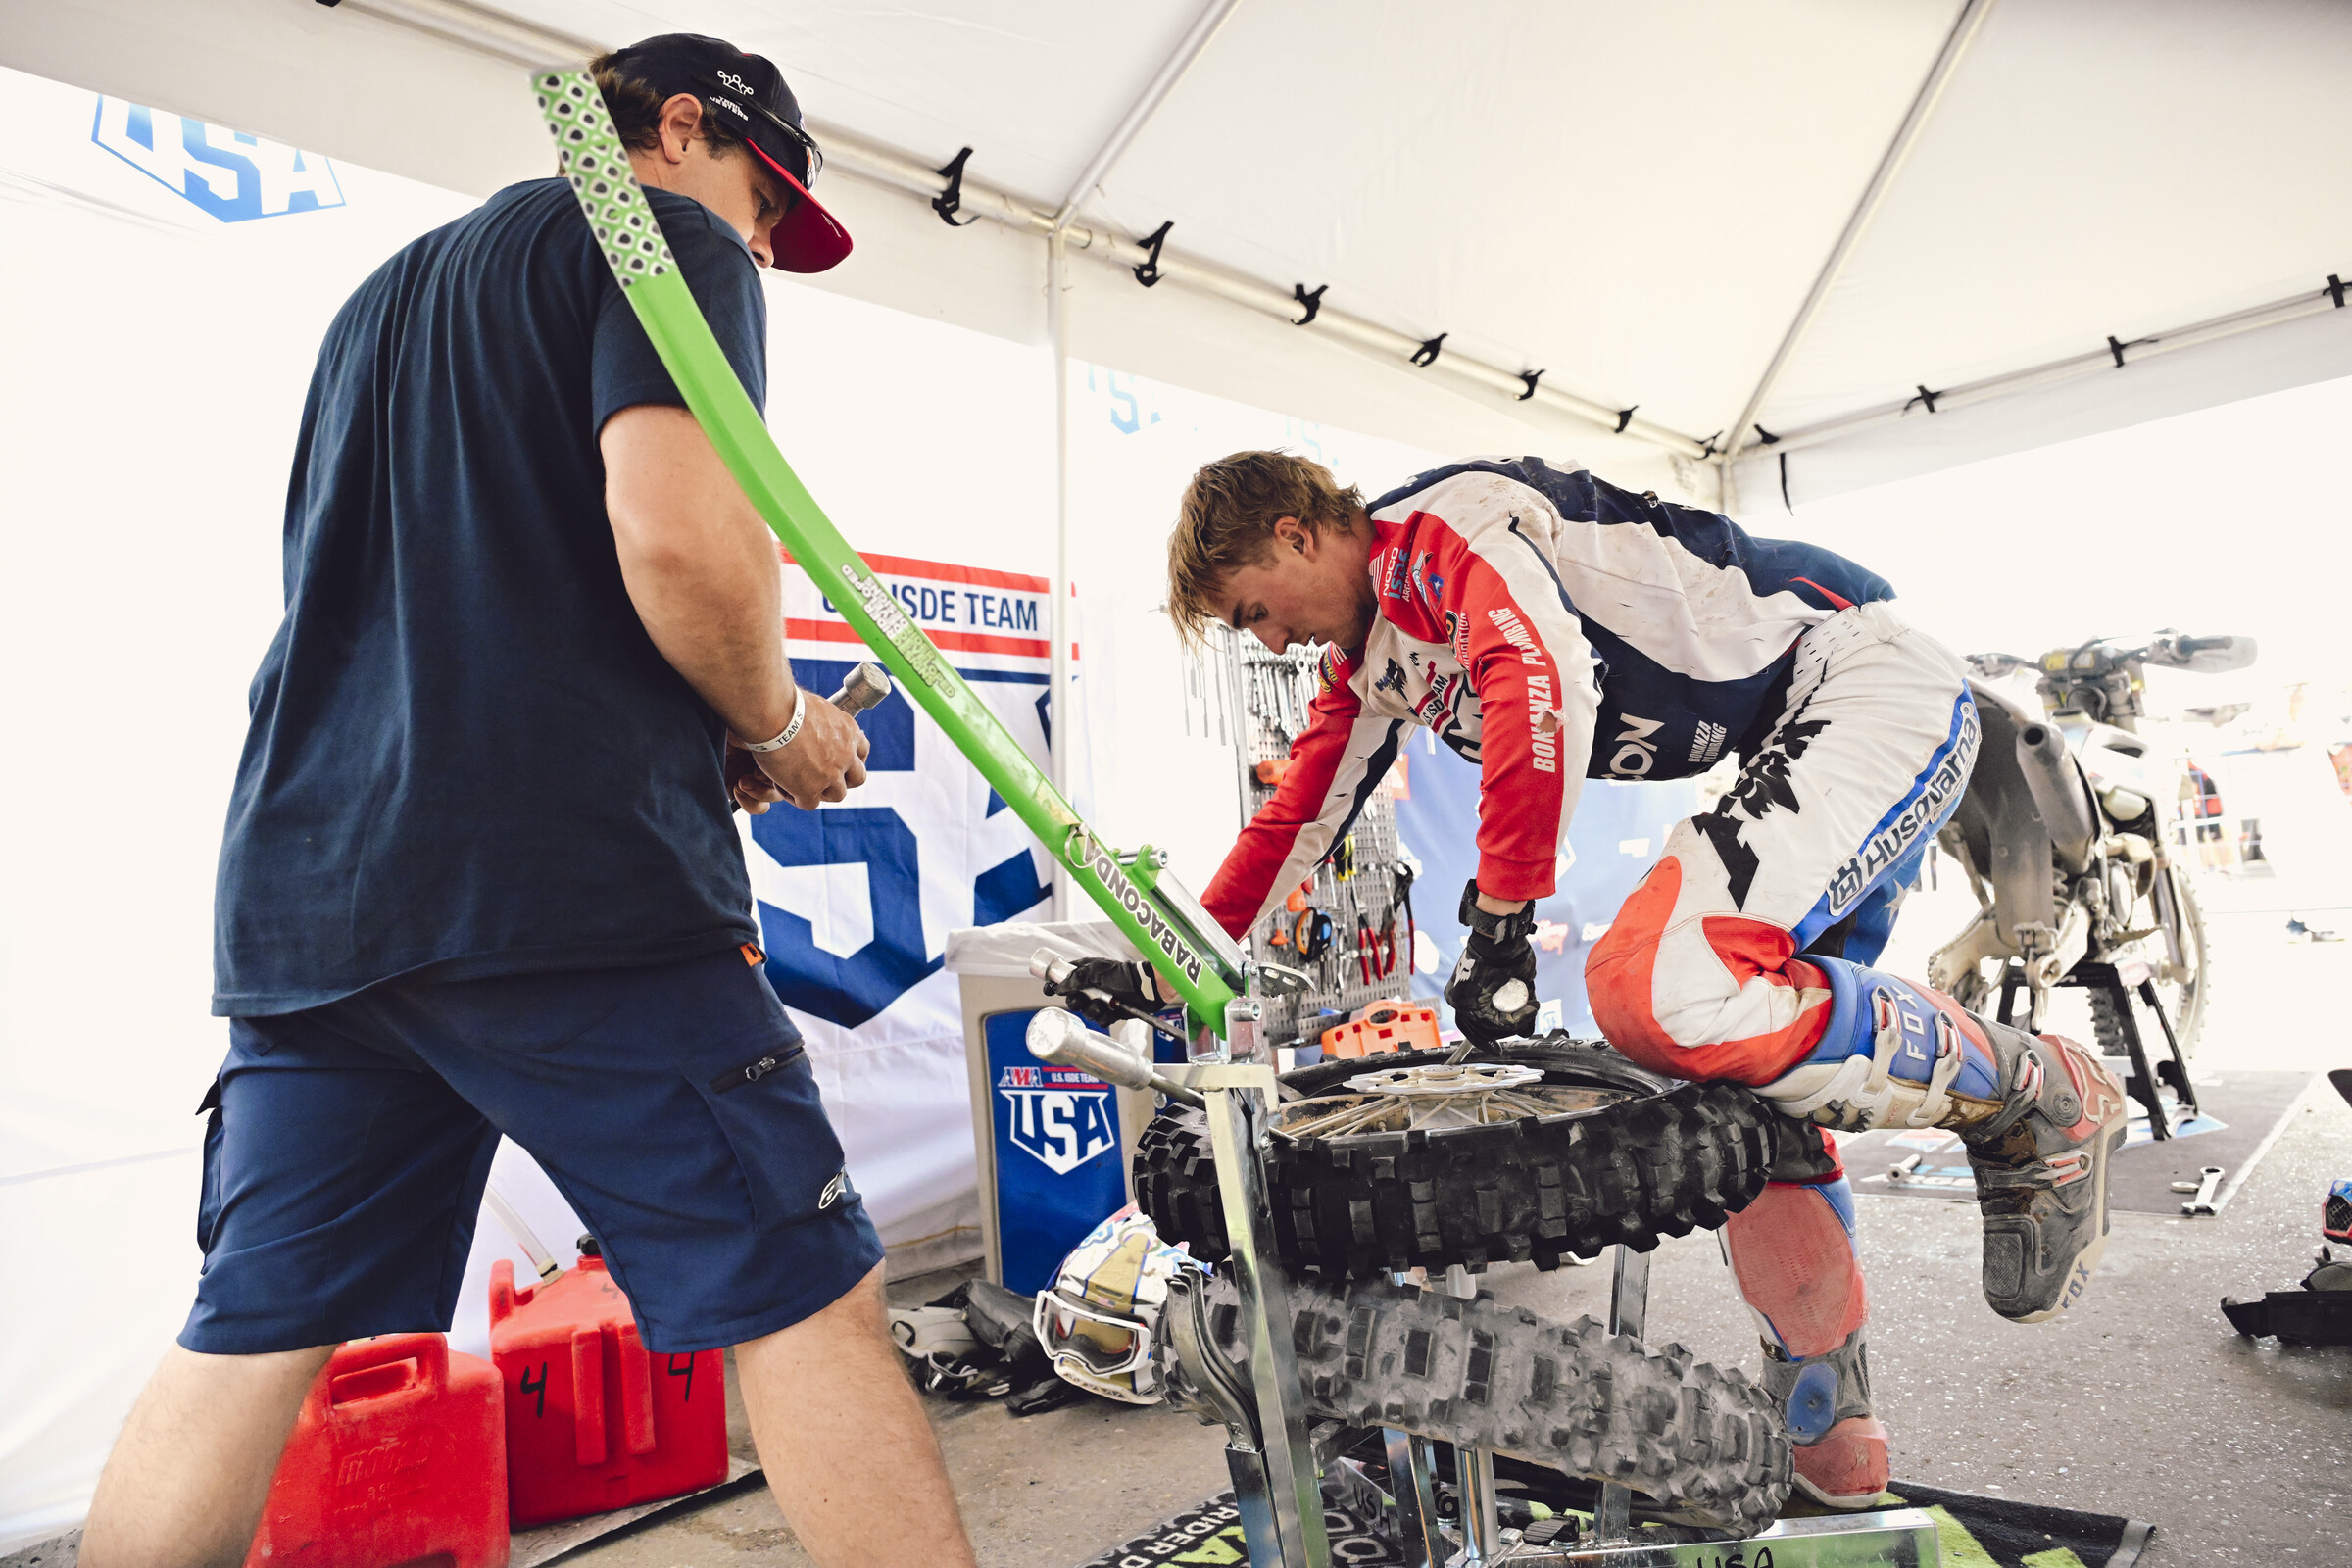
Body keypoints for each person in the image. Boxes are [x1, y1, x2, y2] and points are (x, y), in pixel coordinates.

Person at [80, 36, 977, 1568]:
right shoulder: (668, 240)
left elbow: (462, 603)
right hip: (561, 893)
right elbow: (678, 542)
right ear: (682, 130)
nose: (765, 243)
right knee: (805, 1290)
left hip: (313, 899)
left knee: (249, 1333)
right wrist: (779, 722)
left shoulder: (382, 299)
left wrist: (693, 737)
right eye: (768, 202)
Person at [1080, 450, 2126, 1510]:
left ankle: (2037, 1092)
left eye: (1257, 610)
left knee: (1657, 985)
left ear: (1298, 533)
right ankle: (1829, 1427)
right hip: (1798, 728)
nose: (1270, 640)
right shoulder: (1375, 659)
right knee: (1753, 1069)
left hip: (1865, 682)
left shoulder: (1445, 532)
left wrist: (1502, 910)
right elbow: (1292, 823)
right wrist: (1166, 961)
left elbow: (1540, 680)